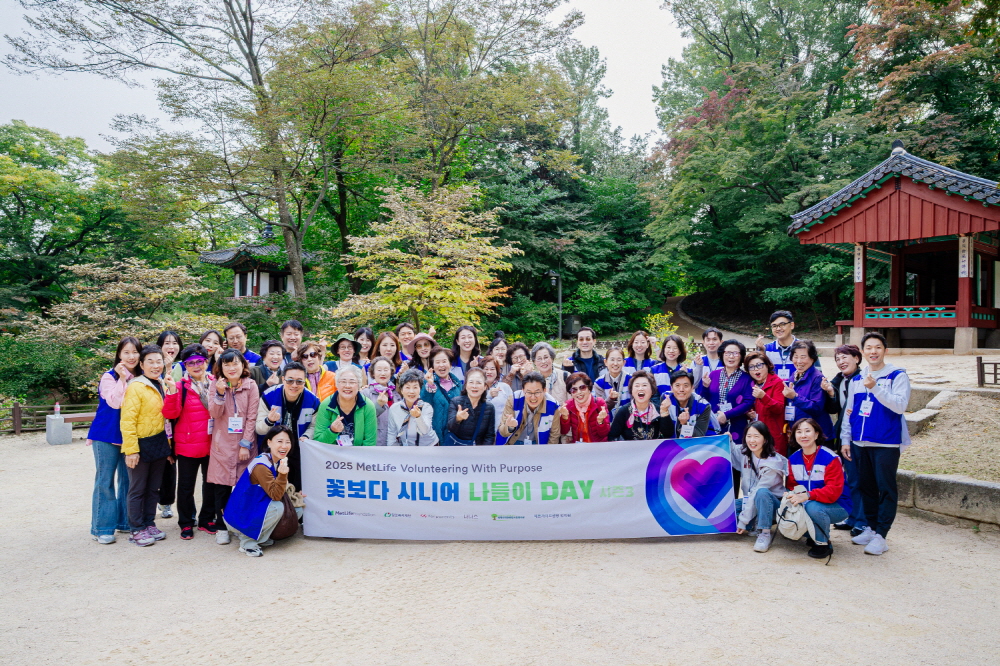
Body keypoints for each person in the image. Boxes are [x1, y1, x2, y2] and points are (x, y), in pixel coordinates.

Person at [842, 333, 911, 556]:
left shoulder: (897, 375)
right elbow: (849, 411)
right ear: (862, 352)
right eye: (869, 348)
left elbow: (900, 406)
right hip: (860, 442)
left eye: (878, 347)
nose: (873, 351)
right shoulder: (856, 379)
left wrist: (876, 388)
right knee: (866, 487)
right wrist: (846, 438)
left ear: (885, 350)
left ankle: (882, 535)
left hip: (886, 442)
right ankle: (871, 529)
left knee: (886, 488)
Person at [88, 336, 141, 544]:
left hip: (129, 436)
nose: (131, 356)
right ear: (119, 354)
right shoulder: (109, 376)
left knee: (128, 481)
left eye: (135, 352)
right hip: (106, 434)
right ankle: (102, 527)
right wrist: (122, 379)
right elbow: (115, 402)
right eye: (126, 352)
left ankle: (125, 522)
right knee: (105, 480)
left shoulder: (142, 377)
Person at [161, 344, 216, 540]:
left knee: (210, 484)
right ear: (185, 365)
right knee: (185, 487)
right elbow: (170, 413)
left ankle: (207, 519)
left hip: (212, 444)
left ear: (206, 362)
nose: (195, 366)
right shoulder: (180, 386)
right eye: (190, 363)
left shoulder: (216, 382)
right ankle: (186, 522)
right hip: (187, 443)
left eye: (199, 361)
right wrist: (171, 392)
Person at [206, 349, 260, 546]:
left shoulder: (251, 385)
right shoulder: (215, 384)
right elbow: (214, 412)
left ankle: (238, 524)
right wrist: (220, 393)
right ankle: (221, 526)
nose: (231, 368)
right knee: (221, 488)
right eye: (226, 364)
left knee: (244, 488)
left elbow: (252, 416)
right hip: (221, 445)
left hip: (245, 444)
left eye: (235, 363)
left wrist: (245, 444)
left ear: (243, 365)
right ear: (220, 367)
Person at [120, 345, 170, 547]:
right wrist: (131, 449)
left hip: (158, 442)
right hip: (140, 443)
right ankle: (136, 528)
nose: (155, 365)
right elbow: (127, 420)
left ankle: (149, 523)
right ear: (141, 364)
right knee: (138, 488)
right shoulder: (136, 386)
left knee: (153, 488)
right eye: (150, 361)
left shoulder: (161, 384)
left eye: (159, 361)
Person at [223, 425, 301, 557]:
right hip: (239, 514)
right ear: (269, 442)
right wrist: (282, 475)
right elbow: (276, 496)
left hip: (252, 507)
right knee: (277, 507)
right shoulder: (261, 465)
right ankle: (248, 542)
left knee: (296, 510)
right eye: (280, 441)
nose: (284, 446)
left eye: (288, 442)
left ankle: (260, 536)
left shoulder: (274, 460)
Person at [785, 417, 852, 559]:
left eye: (807, 431)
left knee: (812, 508)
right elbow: (791, 484)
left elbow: (833, 491)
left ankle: (823, 543)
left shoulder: (830, 458)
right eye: (799, 432)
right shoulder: (793, 459)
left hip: (838, 505)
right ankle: (812, 533)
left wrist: (808, 495)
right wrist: (795, 496)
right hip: (809, 501)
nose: (803, 435)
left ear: (816, 435)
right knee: (790, 505)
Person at [254, 361, 319, 490]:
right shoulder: (269, 396)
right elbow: (259, 429)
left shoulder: (313, 400)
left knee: (297, 486)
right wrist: (269, 421)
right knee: (271, 487)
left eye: (299, 381)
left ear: (305, 381)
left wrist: (306, 436)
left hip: (298, 447)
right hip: (271, 449)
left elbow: (314, 426)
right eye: (290, 381)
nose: (294, 385)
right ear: (282, 379)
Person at [825, 344, 868, 536]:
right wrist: (831, 393)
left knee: (859, 479)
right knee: (849, 479)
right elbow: (835, 409)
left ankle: (862, 520)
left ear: (857, 359)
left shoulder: (862, 379)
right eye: (838, 359)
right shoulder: (840, 381)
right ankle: (852, 516)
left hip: (858, 435)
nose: (841, 362)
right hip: (843, 434)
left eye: (845, 357)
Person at [730, 421, 788, 553]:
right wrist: (728, 440)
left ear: (765, 439)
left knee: (762, 492)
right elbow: (733, 451)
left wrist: (743, 521)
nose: (752, 440)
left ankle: (764, 532)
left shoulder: (774, 463)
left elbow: (756, 493)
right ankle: (754, 522)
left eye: (756, 436)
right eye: (749, 436)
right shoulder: (746, 453)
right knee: (726, 511)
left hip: (772, 506)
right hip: (749, 500)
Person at [699, 340, 754, 445]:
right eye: (727, 353)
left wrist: (726, 415)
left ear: (741, 356)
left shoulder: (747, 378)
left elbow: (748, 403)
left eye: (735, 353)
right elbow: (703, 400)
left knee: (735, 457)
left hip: (736, 426)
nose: (731, 356)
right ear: (722, 355)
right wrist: (705, 387)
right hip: (713, 425)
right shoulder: (713, 375)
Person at [154, 330, 183, 519]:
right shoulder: (152, 365)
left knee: (171, 462)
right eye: (166, 343)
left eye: (174, 343)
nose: (171, 347)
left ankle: (166, 502)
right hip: (157, 419)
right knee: (157, 462)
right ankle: (156, 500)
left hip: (176, 421)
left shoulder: (183, 366)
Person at [313, 365, 378, 447]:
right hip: (331, 457)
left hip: (359, 457)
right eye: (343, 381)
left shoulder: (368, 406)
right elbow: (318, 442)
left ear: (359, 385)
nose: (347, 386)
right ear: (337, 384)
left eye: (352, 382)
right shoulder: (326, 405)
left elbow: (370, 443)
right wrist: (332, 431)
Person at [783, 340, 834, 440]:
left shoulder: (818, 378)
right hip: (799, 433)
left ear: (812, 358)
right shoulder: (793, 376)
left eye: (803, 357)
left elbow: (816, 408)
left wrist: (795, 397)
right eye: (796, 357)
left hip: (817, 436)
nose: (799, 361)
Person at [497, 371, 563, 445]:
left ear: (544, 390)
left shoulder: (553, 405)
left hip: (538, 445)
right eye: (528, 392)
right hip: (513, 443)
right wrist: (510, 427)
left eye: (537, 392)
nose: (533, 397)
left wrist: (546, 454)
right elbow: (502, 432)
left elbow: (554, 436)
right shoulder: (513, 399)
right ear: (523, 390)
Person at [744, 351, 788, 456]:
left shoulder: (777, 382)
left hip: (774, 433)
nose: (756, 369)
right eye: (751, 367)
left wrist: (763, 397)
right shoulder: (750, 384)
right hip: (756, 434)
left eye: (759, 365)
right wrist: (750, 413)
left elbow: (779, 408)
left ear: (768, 365)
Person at [608, 371, 671, 441]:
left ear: (652, 391)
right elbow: (612, 437)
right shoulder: (624, 411)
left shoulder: (659, 410)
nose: (640, 388)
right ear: (631, 391)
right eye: (637, 386)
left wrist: (665, 413)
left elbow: (668, 434)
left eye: (644, 385)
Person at [421, 346, 464, 444]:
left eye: (444, 361)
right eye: (437, 362)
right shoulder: (427, 383)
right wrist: (430, 385)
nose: (441, 365)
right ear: (432, 365)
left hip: (454, 437)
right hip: (435, 438)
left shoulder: (458, 385)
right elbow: (424, 404)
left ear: (450, 363)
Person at [386, 369, 438, 446]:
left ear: (420, 389)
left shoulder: (426, 407)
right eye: (407, 387)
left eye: (415, 387)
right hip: (408, 448)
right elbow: (392, 434)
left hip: (429, 446)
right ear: (402, 390)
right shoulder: (394, 409)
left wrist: (418, 416)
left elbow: (425, 431)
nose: (411, 391)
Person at [445, 367, 495, 446]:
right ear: (466, 385)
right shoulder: (455, 402)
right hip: (456, 450)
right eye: (471, 382)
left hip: (478, 451)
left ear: (485, 386)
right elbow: (450, 428)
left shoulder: (489, 407)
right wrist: (458, 418)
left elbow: (489, 435)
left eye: (478, 383)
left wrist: (484, 453)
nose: (474, 386)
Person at [659, 370, 712, 438]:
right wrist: (664, 411)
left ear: (692, 388)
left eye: (686, 386)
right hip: (671, 444)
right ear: (671, 388)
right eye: (677, 385)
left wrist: (685, 424)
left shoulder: (703, 406)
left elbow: (699, 435)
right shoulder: (665, 398)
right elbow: (666, 433)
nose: (681, 389)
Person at [560, 372, 610, 443]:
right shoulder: (568, 405)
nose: (579, 392)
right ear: (570, 393)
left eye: (582, 387)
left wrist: (600, 422)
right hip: (578, 447)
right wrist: (564, 417)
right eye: (574, 390)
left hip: (597, 447)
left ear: (589, 388)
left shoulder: (599, 403)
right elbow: (564, 431)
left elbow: (604, 433)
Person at [360, 356, 397, 446]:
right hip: (374, 442)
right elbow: (362, 419)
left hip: (394, 443)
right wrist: (378, 405)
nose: (383, 373)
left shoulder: (396, 394)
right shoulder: (365, 393)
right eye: (379, 370)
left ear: (391, 372)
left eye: (386, 370)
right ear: (373, 373)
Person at [755, 310, 800, 381]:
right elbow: (757, 374)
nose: (778, 328)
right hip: (773, 391)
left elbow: (816, 375)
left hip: (798, 391)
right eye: (774, 326)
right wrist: (760, 351)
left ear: (792, 325)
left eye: (782, 324)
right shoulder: (766, 349)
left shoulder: (804, 348)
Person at [481, 355, 513, 432]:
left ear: (497, 371)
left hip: (502, 432)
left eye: (492, 369)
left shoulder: (505, 387)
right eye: (486, 369)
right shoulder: (476, 388)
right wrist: (488, 396)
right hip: (482, 433)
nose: (489, 372)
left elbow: (513, 408)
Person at [594, 347, 631, 413]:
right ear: (605, 362)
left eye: (619, 360)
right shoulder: (599, 383)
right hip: (608, 421)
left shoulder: (631, 380)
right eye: (612, 360)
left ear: (624, 362)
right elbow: (600, 408)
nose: (615, 363)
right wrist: (611, 399)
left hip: (628, 420)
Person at [652, 334, 689, 398]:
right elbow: (653, 395)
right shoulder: (654, 370)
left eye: (675, 348)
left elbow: (688, 395)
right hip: (660, 407)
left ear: (680, 352)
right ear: (664, 350)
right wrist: (663, 407)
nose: (671, 351)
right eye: (668, 347)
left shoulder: (687, 371)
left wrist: (684, 376)